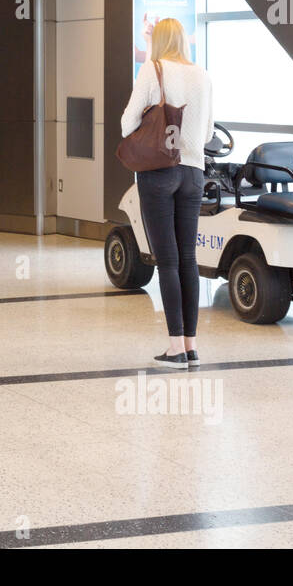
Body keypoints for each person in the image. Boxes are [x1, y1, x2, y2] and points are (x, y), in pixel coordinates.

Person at [120, 18, 214, 370]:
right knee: (188, 258)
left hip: (159, 174)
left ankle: (175, 347)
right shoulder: (202, 75)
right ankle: (190, 346)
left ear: (158, 42)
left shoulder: (153, 68)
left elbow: (127, 123)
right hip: (193, 173)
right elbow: (205, 134)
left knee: (168, 261)